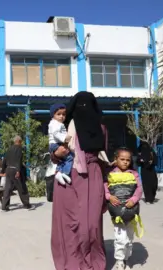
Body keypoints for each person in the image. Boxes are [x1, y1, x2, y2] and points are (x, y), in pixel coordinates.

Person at [51, 91, 111, 270]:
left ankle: (93, 261)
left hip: (93, 176)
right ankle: (71, 263)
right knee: (69, 223)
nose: (83, 109)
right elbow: (54, 155)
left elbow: (104, 156)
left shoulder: (101, 128)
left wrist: (106, 186)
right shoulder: (64, 127)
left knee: (91, 224)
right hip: (68, 177)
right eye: (79, 105)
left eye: (87, 105)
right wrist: (56, 154)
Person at [105, 147, 144, 270]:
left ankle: (126, 258)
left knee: (129, 238)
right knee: (120, 238)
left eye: (128, 160)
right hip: (117, 214)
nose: (125, 162)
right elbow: (104, 188)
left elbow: (139, 188)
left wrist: (133, 200)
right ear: (115, 160)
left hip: (131, 212)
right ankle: (120, 260)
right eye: (122, 159)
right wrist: (109, 197)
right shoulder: (110, 174)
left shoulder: (134, 174)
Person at [1, 135, 33, 211]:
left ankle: (4, 206)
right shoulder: (19, 149)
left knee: (8, 188)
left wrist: (3, 170)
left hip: (8, 170)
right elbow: (18, 160)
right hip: (15, 170)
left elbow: (4, 160)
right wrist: (18, 171)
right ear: (19, 141)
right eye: (21, 142)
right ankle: (26, 204)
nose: (21, 143)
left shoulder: (9, 149)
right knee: (22, 187)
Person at [48, 103, 73, 185]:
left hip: (55, 144)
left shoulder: (57, 123)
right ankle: (64, 173)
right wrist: (64, 138)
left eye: (63, 114)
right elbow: (56, 133)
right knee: (69, 157)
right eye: (58, 114)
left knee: (63, 160)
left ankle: (59, 173)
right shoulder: (55, 123)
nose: (61, 116)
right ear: (53, 115)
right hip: (56, 144)